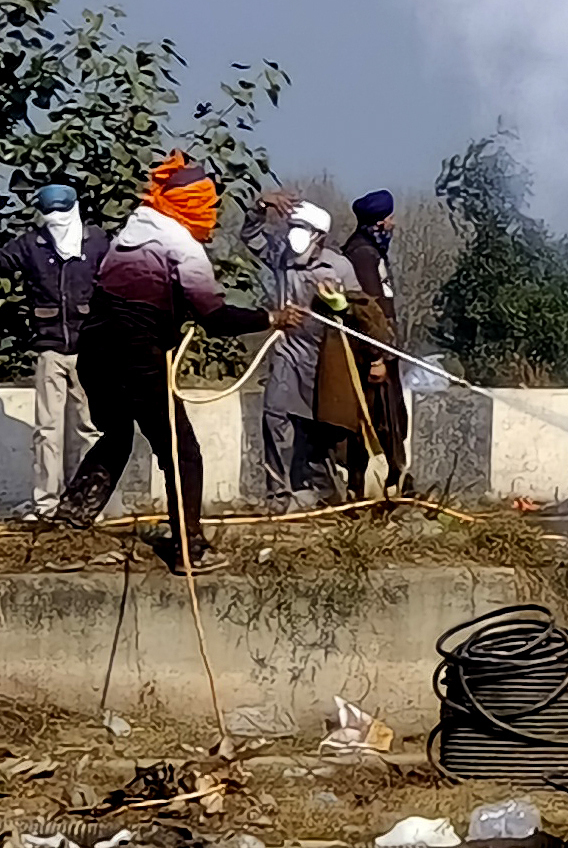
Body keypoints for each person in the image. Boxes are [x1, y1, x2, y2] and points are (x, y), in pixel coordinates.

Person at [54, 155, 303, 569]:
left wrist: (258, 205)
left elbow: (193, 182)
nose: (213, 213)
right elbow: (215, 317)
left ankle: (70, 517)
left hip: (95, 351)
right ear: (195, 208)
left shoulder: (137, 225)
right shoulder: (184, 248)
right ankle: (189, 549)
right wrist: (270, 319)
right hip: (138, 357)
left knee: (117, 435)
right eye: (209, 205)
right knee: (181, 450)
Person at [248, 195, 365, 509]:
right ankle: (277, 496)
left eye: (303, 228)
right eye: (292, 227)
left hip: (326, 359)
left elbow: (360, 311)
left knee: (318, 428)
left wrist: (339, 304)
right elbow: (250, 235)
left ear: (321, 237)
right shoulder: (281, 256)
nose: (294, 235)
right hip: (288, 351)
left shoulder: (339, 266)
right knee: (274, 416)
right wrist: (260, 208)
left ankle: (325, 488)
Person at [2, 183, 108, 516]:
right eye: (51, 213)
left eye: (62, 211)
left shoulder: (97, 244)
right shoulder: (32, 245)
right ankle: (46, 505)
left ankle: (92, 504)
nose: (57, 219)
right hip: (49, 348)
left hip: (90, 349)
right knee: (47, 431)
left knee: (92, 428)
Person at [337, 191, 410, 497]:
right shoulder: (362, 255)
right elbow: (368, 311)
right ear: (378, 222)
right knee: (374, 422)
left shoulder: (372, 252)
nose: (393, 224)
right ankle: (366, 489)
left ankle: (396, 484)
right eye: (389, 219)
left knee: (392, 420)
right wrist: (376, 356)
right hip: (371, 356)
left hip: (385, 352)